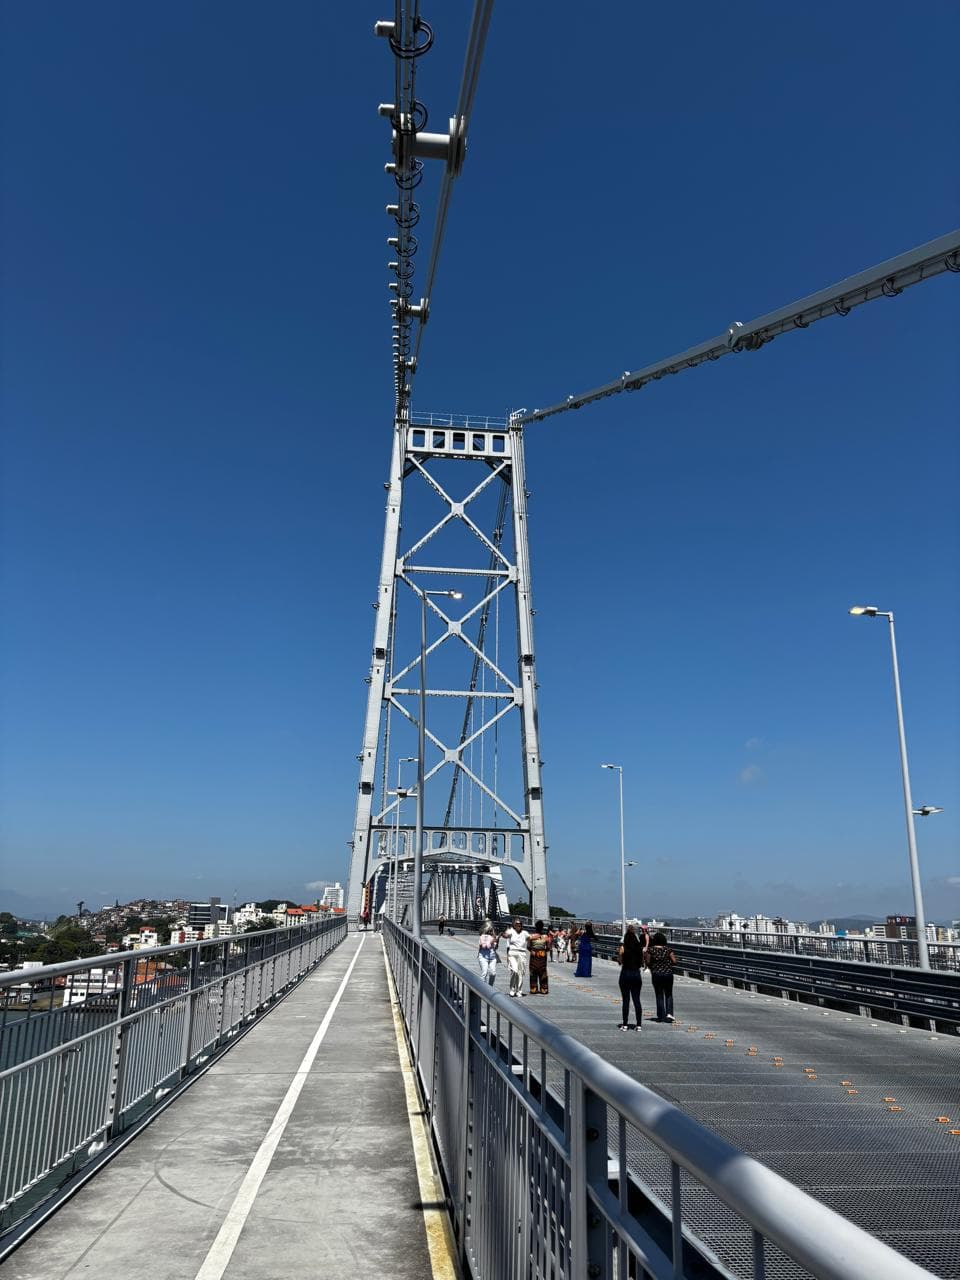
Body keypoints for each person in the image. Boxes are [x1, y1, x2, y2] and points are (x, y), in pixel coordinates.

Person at [617, 924, 645, 1030]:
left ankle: (625, 1024)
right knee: (637, 1000)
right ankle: (638, 1025)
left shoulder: (623, 947)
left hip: (625, 974)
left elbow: (619, 961)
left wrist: (621, 954)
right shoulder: (639, 948)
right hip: (636, 974)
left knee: (626, 1001)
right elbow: (642, 963)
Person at [646, 930, 677, 1022]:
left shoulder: (650, 950)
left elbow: (647, 961)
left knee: (659, 995)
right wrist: (668, 964)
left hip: (656, 974)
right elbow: (674, 961)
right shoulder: (668, 950)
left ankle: (661, 1015)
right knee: (669, 994)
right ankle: (669, 1014)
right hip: (668, 974)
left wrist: (652, 966)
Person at [503, 918, 531, 997]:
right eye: (517, 924)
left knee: (520, 973)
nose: (518, 926)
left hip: (522, 954)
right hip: (513, 953)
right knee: (514, 970)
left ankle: (519, 990)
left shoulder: (525, 933)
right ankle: (512, 989)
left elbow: (530, 938)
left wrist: (530, 945)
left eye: (520, 924)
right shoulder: (511, 931)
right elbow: (506, 935)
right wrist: (503, 934)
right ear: (514, 925)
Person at [528, 920, 550, 994]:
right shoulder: (531, 936)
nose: (539, 928)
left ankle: (543, 987)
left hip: (541, 956)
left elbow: (548, 947)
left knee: (543, 971)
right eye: (539, 926)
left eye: (540, 926)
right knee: (533, 971)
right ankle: (534, 987)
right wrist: (533, 951)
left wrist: (542, 952)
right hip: (535, 956)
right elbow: (528, 946)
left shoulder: (545, 937)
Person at [477, 921, 499, 986]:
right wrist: (491, 941)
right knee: (485, 972)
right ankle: (482, 988)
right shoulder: (482, 937)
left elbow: (495, 948)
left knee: (493, 973)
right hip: (483, 957)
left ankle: (490, 987)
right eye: (489, 930)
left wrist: (497, 942)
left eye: (491, 930)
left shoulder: (493, 937)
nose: (491, 932)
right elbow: (484, 946)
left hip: (492, 958)